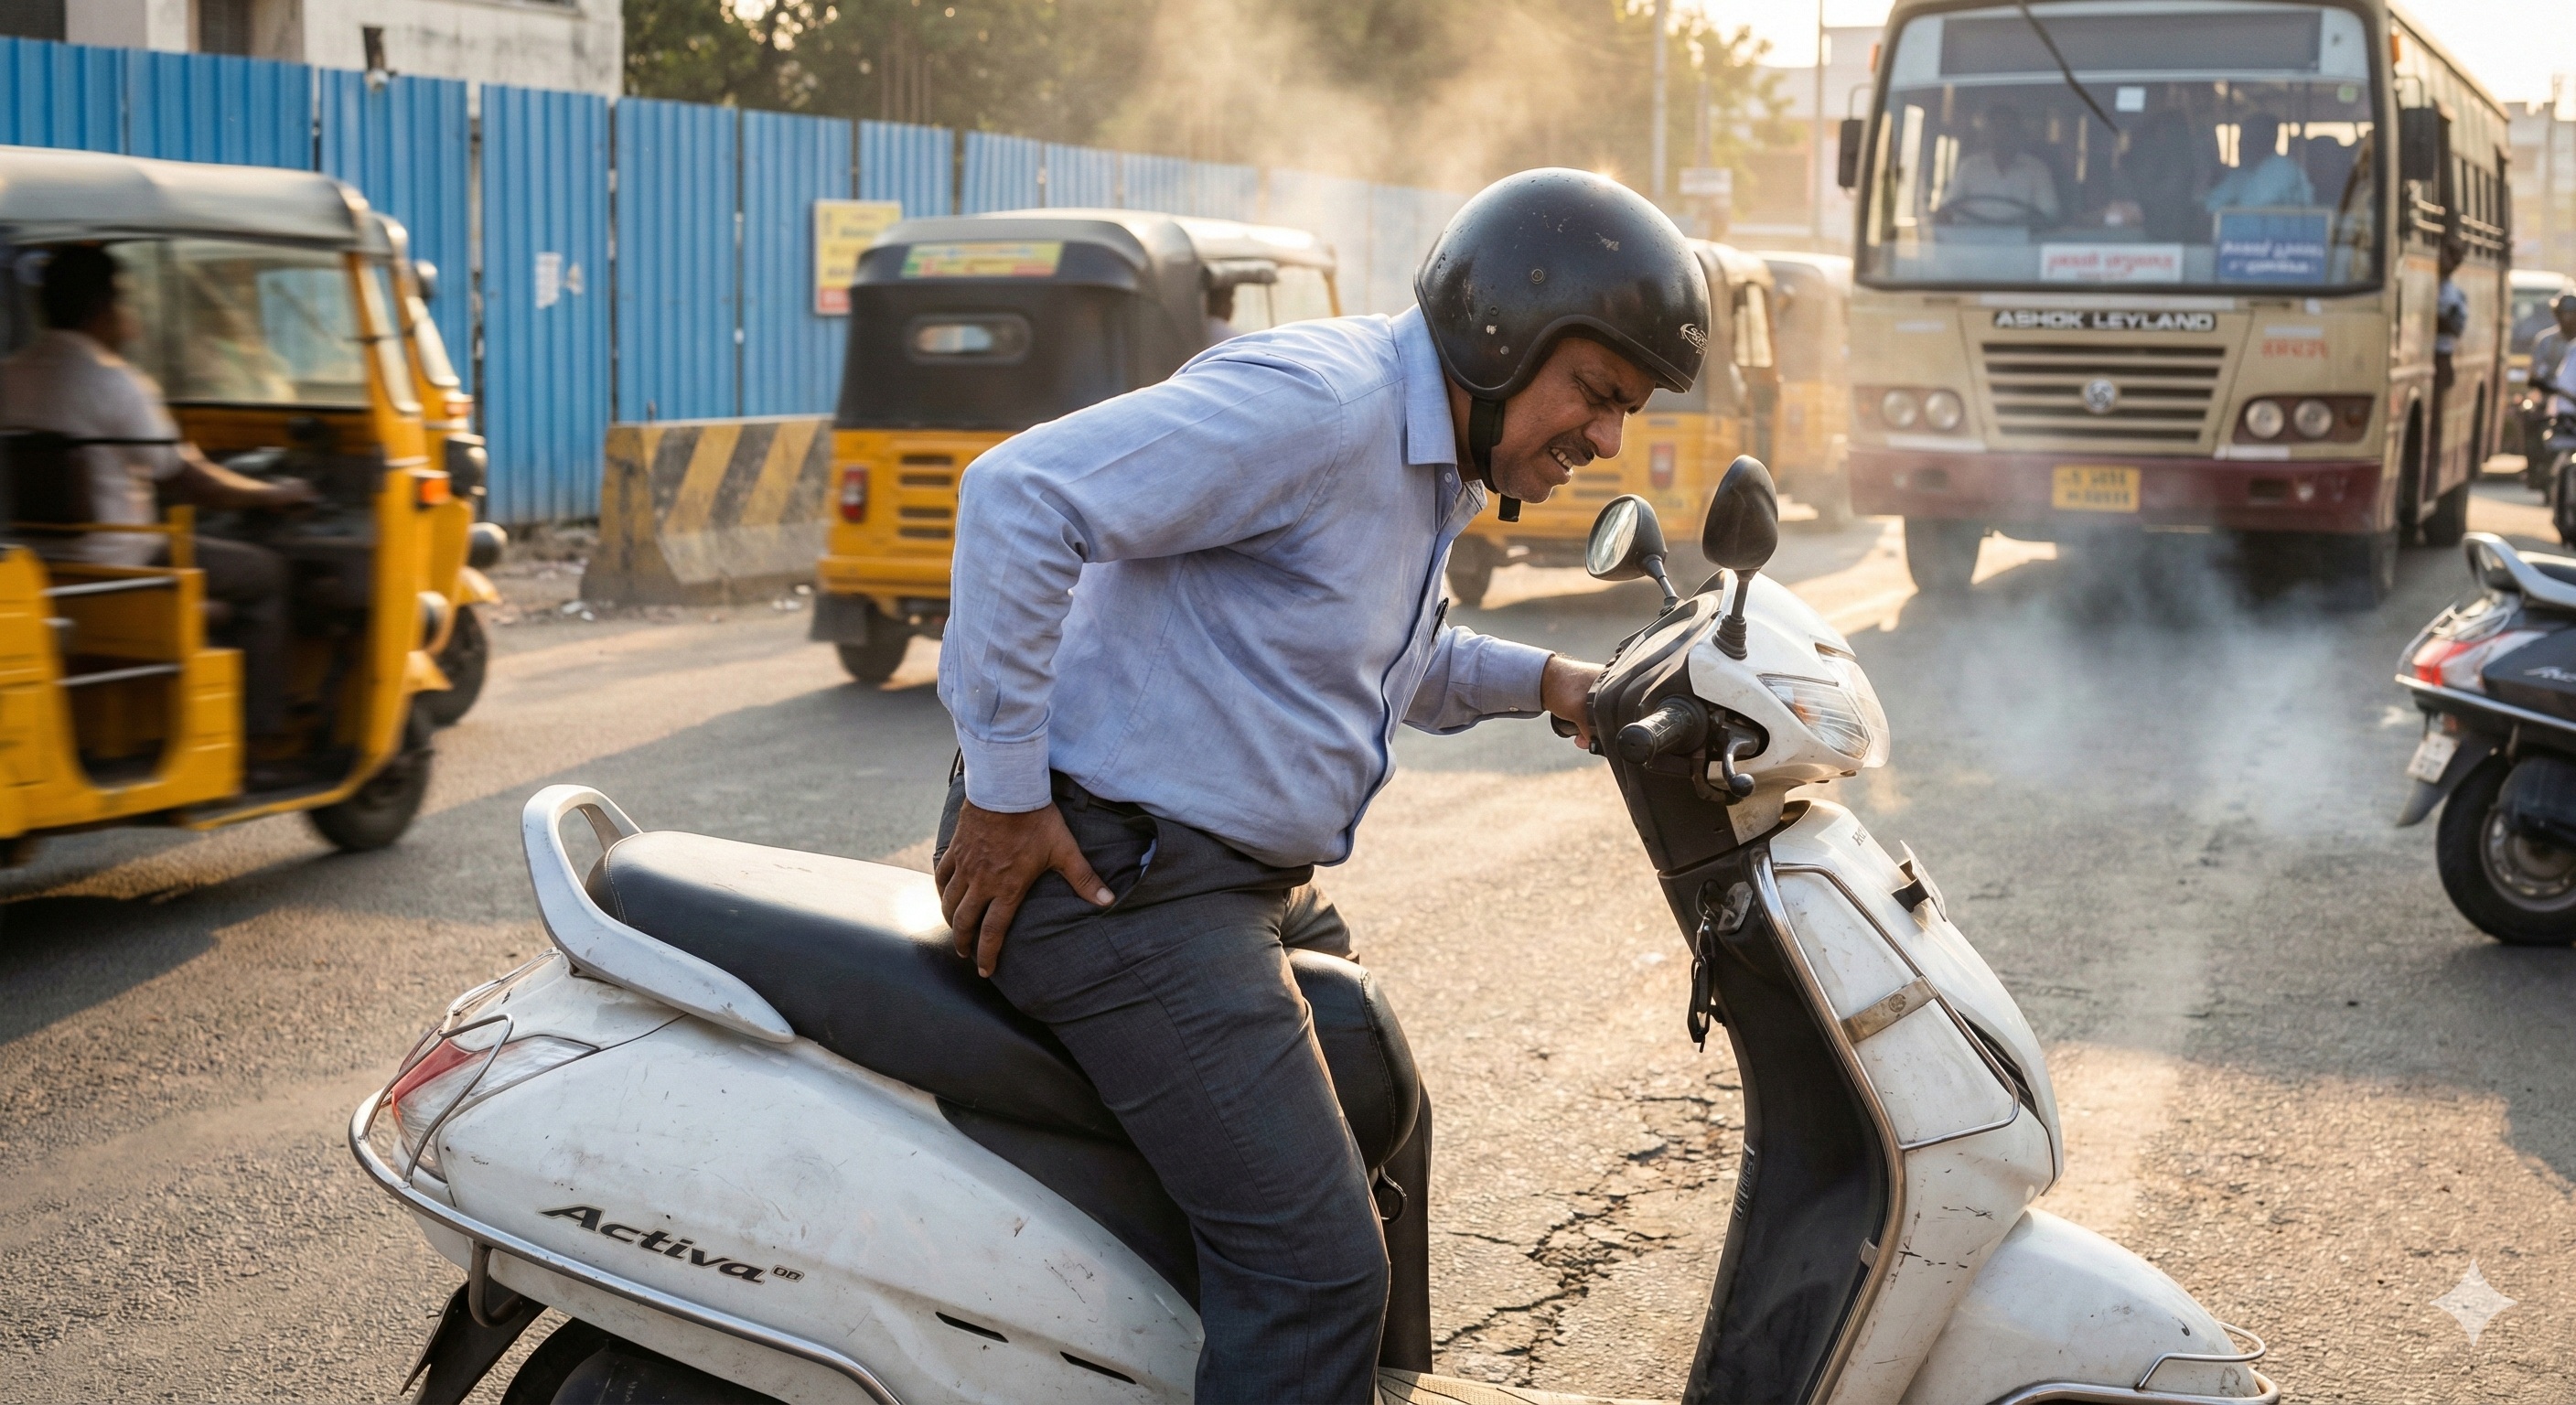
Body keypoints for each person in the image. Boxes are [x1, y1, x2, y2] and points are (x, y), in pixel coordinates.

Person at [931, 168, 1708, 1402]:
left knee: (1383, 1104)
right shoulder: (1323, 407)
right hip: (1112, 873)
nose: (1608, 440)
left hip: (1219, 880)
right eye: (1598, 395)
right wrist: (1006, 796)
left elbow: (1378, 657)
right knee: (1316, 1271)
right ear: (1501, 336)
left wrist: (1564, 684)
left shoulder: (1431, 455)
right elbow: (1019, 498)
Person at [0, 244, 316, 755]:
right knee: (267, 576)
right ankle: (262, 748)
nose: (131, 317)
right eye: (125, 303)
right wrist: (273, 494)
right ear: (101, 310)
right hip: (118, 563)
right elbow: (188, 480)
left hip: (33, 565)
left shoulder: (10, 375)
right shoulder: (113, 382)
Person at [1938, 105, 2058, 225]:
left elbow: (2048, 213)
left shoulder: (2036, 169)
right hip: (1970, 240)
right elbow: (1947, 208)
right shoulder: (1969, 167)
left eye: (2007, 129)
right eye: (1996, 129)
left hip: (2021, 241)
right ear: (1986, 135)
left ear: (2017, 134)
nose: (2001, 135)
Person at [2204, 113, 2315, 210]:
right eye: (2240, 140)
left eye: (2248, 139)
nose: (2240, 146)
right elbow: (2211, 206)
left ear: (2268, 141)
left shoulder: (2281, 169)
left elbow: (2249, 208)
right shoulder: (2241, 175)